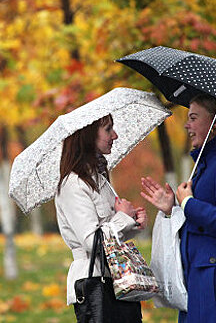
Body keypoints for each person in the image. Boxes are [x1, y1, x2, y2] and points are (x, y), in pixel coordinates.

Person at [140, 94, 216, 322]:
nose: (187, 125)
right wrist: (173, 209)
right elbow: (199, 221)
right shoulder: (205, 166)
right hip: (201, 284)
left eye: (194, 118)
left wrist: (188, 203)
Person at [55, 114, 147, 323]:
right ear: (87, 135)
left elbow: (111, 232)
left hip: (118, 279)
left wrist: (132, 221)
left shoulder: (99, 179)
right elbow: (91, 241)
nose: (114, 135)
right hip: (96, 280)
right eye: (108, 129)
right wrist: (123, 217)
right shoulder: (74, 185)